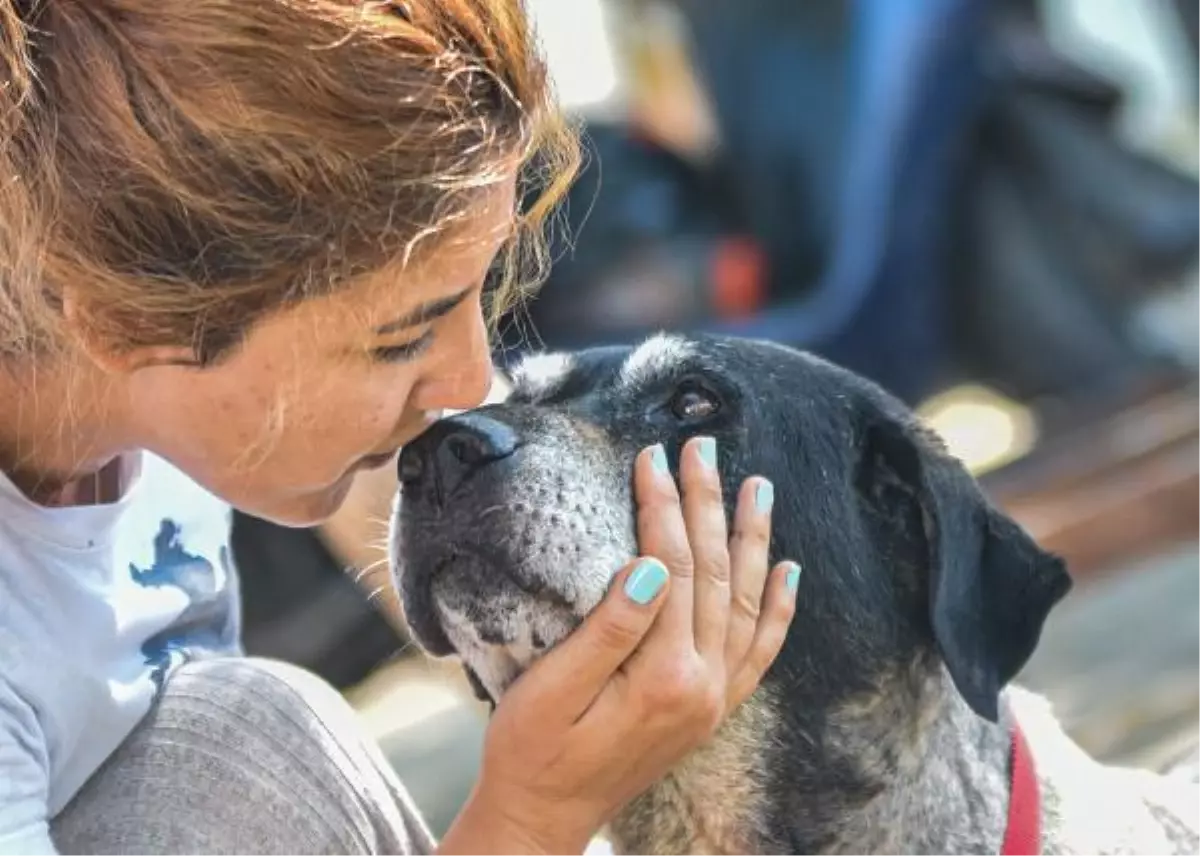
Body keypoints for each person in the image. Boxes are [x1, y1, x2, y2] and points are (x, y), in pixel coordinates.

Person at [0, 3, 800, 854]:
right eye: (401, 338)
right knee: (235, 757)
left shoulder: (128, 372)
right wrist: (534, 815)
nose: (467, 382)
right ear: (126, 320)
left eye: (481, 295)